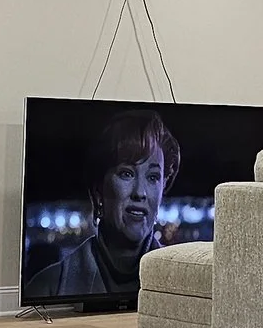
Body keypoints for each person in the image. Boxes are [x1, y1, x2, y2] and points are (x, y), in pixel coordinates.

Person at [23, 110, 180, 300]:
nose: (140, 192)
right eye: (126, 174)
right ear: (99, 190)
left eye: (153, 177)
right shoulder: (49, 286)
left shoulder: (183, 283)